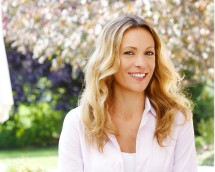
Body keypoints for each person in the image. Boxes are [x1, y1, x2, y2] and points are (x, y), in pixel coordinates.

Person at [58, 15, 197, 172]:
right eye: (129, 53)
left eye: (149, 53)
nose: (141, 63)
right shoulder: (78, 122)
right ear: (108, 59)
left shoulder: (177, 119)